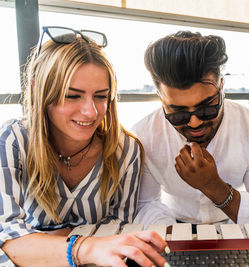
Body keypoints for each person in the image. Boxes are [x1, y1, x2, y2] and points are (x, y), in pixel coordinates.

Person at [0, 26, 169, 267]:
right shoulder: (11, 141)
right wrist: (84, 246)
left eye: (101, 96)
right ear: (39, 89)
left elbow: (121, 227)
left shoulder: (126, 149)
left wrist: (43, 241)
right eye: (72, 95)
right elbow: (6, 236)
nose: (91, 111)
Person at [132, 31, 249, 227]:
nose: (194, 123)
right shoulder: (143, 136)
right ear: (160, 97)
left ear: (222, 86)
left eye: (206, 108)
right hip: (169, 225)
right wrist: (174, 240)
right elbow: (144, 206)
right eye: (178, 113)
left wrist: (213, 186)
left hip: (236, 226)